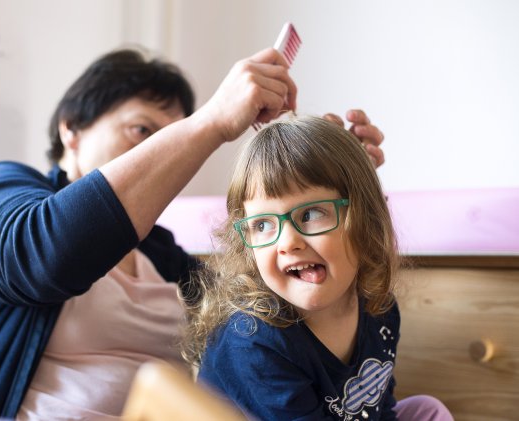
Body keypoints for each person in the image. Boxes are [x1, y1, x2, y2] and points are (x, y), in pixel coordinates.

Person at [0, 45, 383, 420]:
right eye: (142, 130)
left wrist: (331, 185)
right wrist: (211, 123)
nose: (165, 151)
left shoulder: (159, 251)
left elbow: (267, 306)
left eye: (172, 134)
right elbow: (41, 257)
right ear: (71, 129)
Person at [182, 116, 453, 420]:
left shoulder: (380, 309)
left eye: (311, 214)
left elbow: (379, 408)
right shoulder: (253, 341)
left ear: (365, 219)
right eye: (263, 224)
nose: (287, 243)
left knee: (428, 411)